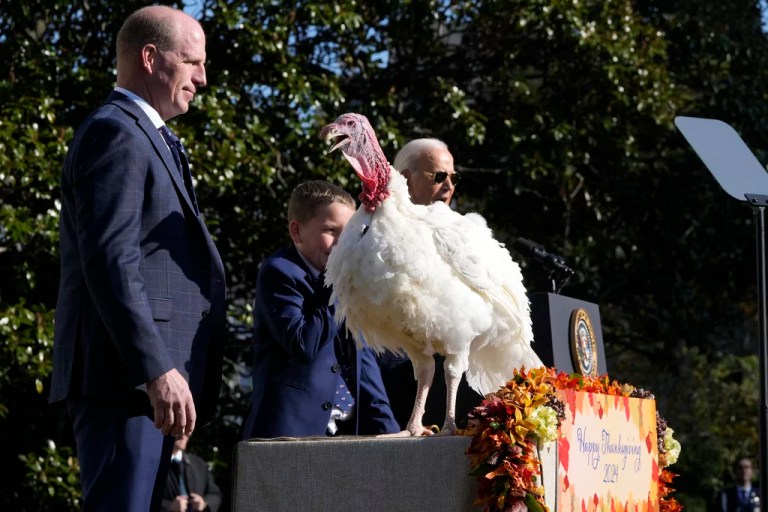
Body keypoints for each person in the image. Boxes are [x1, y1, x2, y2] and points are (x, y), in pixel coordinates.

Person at [48, 6, 226, 511]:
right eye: (192, 62)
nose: (202, 78)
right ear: (151, 57)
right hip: (127, 383)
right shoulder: (117, 132)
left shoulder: (148, 136)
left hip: (146, 385)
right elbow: (111, 260)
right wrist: (156, 369)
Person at [241, 181, 400, 438]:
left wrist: (389, 431)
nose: (342, 243)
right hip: (289, 434)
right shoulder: (280, 272)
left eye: (348, 233)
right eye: (330, 230)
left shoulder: (348, 283)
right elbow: (304, 342)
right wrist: (336, 285)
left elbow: (364, 365)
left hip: (344, 437)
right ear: (297, 232)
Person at [378, 138, 483, 430]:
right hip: (386, 394)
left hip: (455, 395)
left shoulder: (463, 234)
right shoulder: (376, 231)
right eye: (438, 176)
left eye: (453, 177)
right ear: (406, 178)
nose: (448, 186)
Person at [162, 433, 222, 512]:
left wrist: (204, 503)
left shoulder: (198, 463)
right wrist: (169, 506)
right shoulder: (154, 465)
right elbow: (143, 495)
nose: (184, 436)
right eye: (180, 431)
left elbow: (215, 494)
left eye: (187, 432)